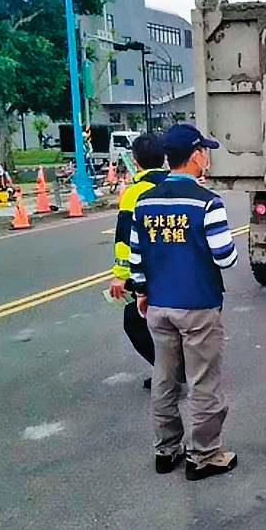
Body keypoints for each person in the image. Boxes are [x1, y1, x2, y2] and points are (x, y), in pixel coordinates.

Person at [130, 123, 239, 480]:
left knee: (164, 380)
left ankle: (166, 451)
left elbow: (136, 257)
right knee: (202, 381)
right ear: (195, 157)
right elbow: (225, 257)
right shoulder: (207, 202)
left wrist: (143, 293)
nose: (206, 157)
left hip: (159, 306)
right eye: (204, 151)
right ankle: (204, 456)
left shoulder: (144, 200)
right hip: (198, 304)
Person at [109, 133, 169, 388]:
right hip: (178, 268)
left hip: (148, 270)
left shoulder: (134, 193)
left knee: (135, 321)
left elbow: (125, 238)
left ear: (135, 161)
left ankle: (169, 372)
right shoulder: (173, 185)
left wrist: (121, 275)